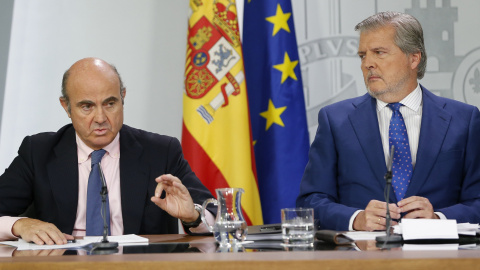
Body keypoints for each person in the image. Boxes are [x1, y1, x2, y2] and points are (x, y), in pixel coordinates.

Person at [0, 57, 215, 245]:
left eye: (110, 103)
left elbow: (215, 216)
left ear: (123, 97)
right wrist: (19, 224)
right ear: (66, 107)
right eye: (87, 107)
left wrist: (193, 217)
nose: (101, 118)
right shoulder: (38, 152)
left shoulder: (160, 152)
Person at [297, 11, 480, 231]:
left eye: (379, 52)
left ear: (414, 58)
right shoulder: (335, 120)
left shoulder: (464, 120)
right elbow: (310, 201)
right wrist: (356, 218)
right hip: (362, 260)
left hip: (440, 259)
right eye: (363, 55)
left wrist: (439, 219)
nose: (368, 64)